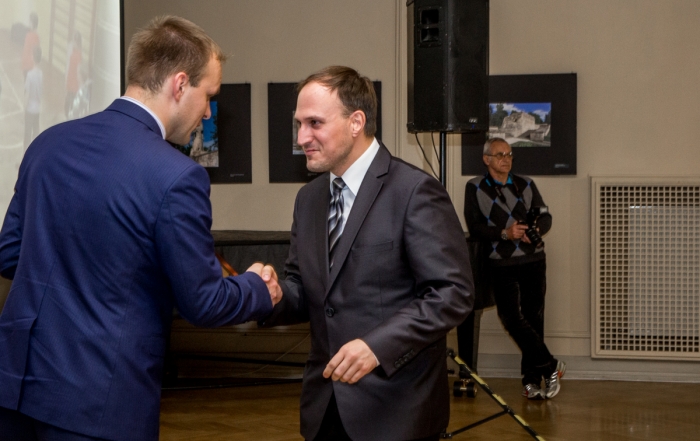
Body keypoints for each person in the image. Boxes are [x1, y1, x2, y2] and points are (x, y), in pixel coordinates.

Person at [0, 15, 281, 441]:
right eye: (209, 96)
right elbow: (203, 302)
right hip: (98, 402)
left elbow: (10, 255)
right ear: (180, 84)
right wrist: (258, 288)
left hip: (16, 387)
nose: (208, 112)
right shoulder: (177, 176)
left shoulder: (47, 144)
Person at [260, 66, 474, 441]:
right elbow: (304, 288)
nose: (301, 137)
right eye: (299, 124)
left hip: (397, 412)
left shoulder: (414, 191)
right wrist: (269, 295)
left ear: (356, 122)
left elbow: (452, 293)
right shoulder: (308, 199)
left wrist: (377, 347)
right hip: (323, 410)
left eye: (314, 123)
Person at [463, 137, 565, 400]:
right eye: (499, 155)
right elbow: (475, 228)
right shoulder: (475, 187)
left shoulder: (525, 183)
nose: (506, 159)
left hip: (533, 260)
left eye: (509, 154)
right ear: (486, 159)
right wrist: (505, 234)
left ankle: (531, 382)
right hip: (501, 263)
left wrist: (536, 229)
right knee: (510, 317)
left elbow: (545, 215)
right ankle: (551, 365)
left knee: (534, 319)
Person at [24, 46, 43, 149]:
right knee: (35, 133)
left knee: (27, 134)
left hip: (30, 108)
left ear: (33, 57)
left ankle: (25, 154)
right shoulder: (41, 74)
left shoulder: (30, 75)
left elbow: (27, 94)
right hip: (37, 108)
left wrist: (25, 107)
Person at [64, 31, 82, 118]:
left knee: (71, 100)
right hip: (72, 80)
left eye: (74, 40)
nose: (73, 42)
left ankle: (69, 116)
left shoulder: (76, 54)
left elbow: (77, 71)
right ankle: (69, 116)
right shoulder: (75, 53)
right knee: (70, 100)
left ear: (76, 42)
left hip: (73, 81)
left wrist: (80, 83)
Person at [21, 12, 40, 78]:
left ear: (32, 23)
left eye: (29, 21)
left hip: (28, 65)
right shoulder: (37, 37)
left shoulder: (29, 35)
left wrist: (24, 64)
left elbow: (26, 51)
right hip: (31, 65)